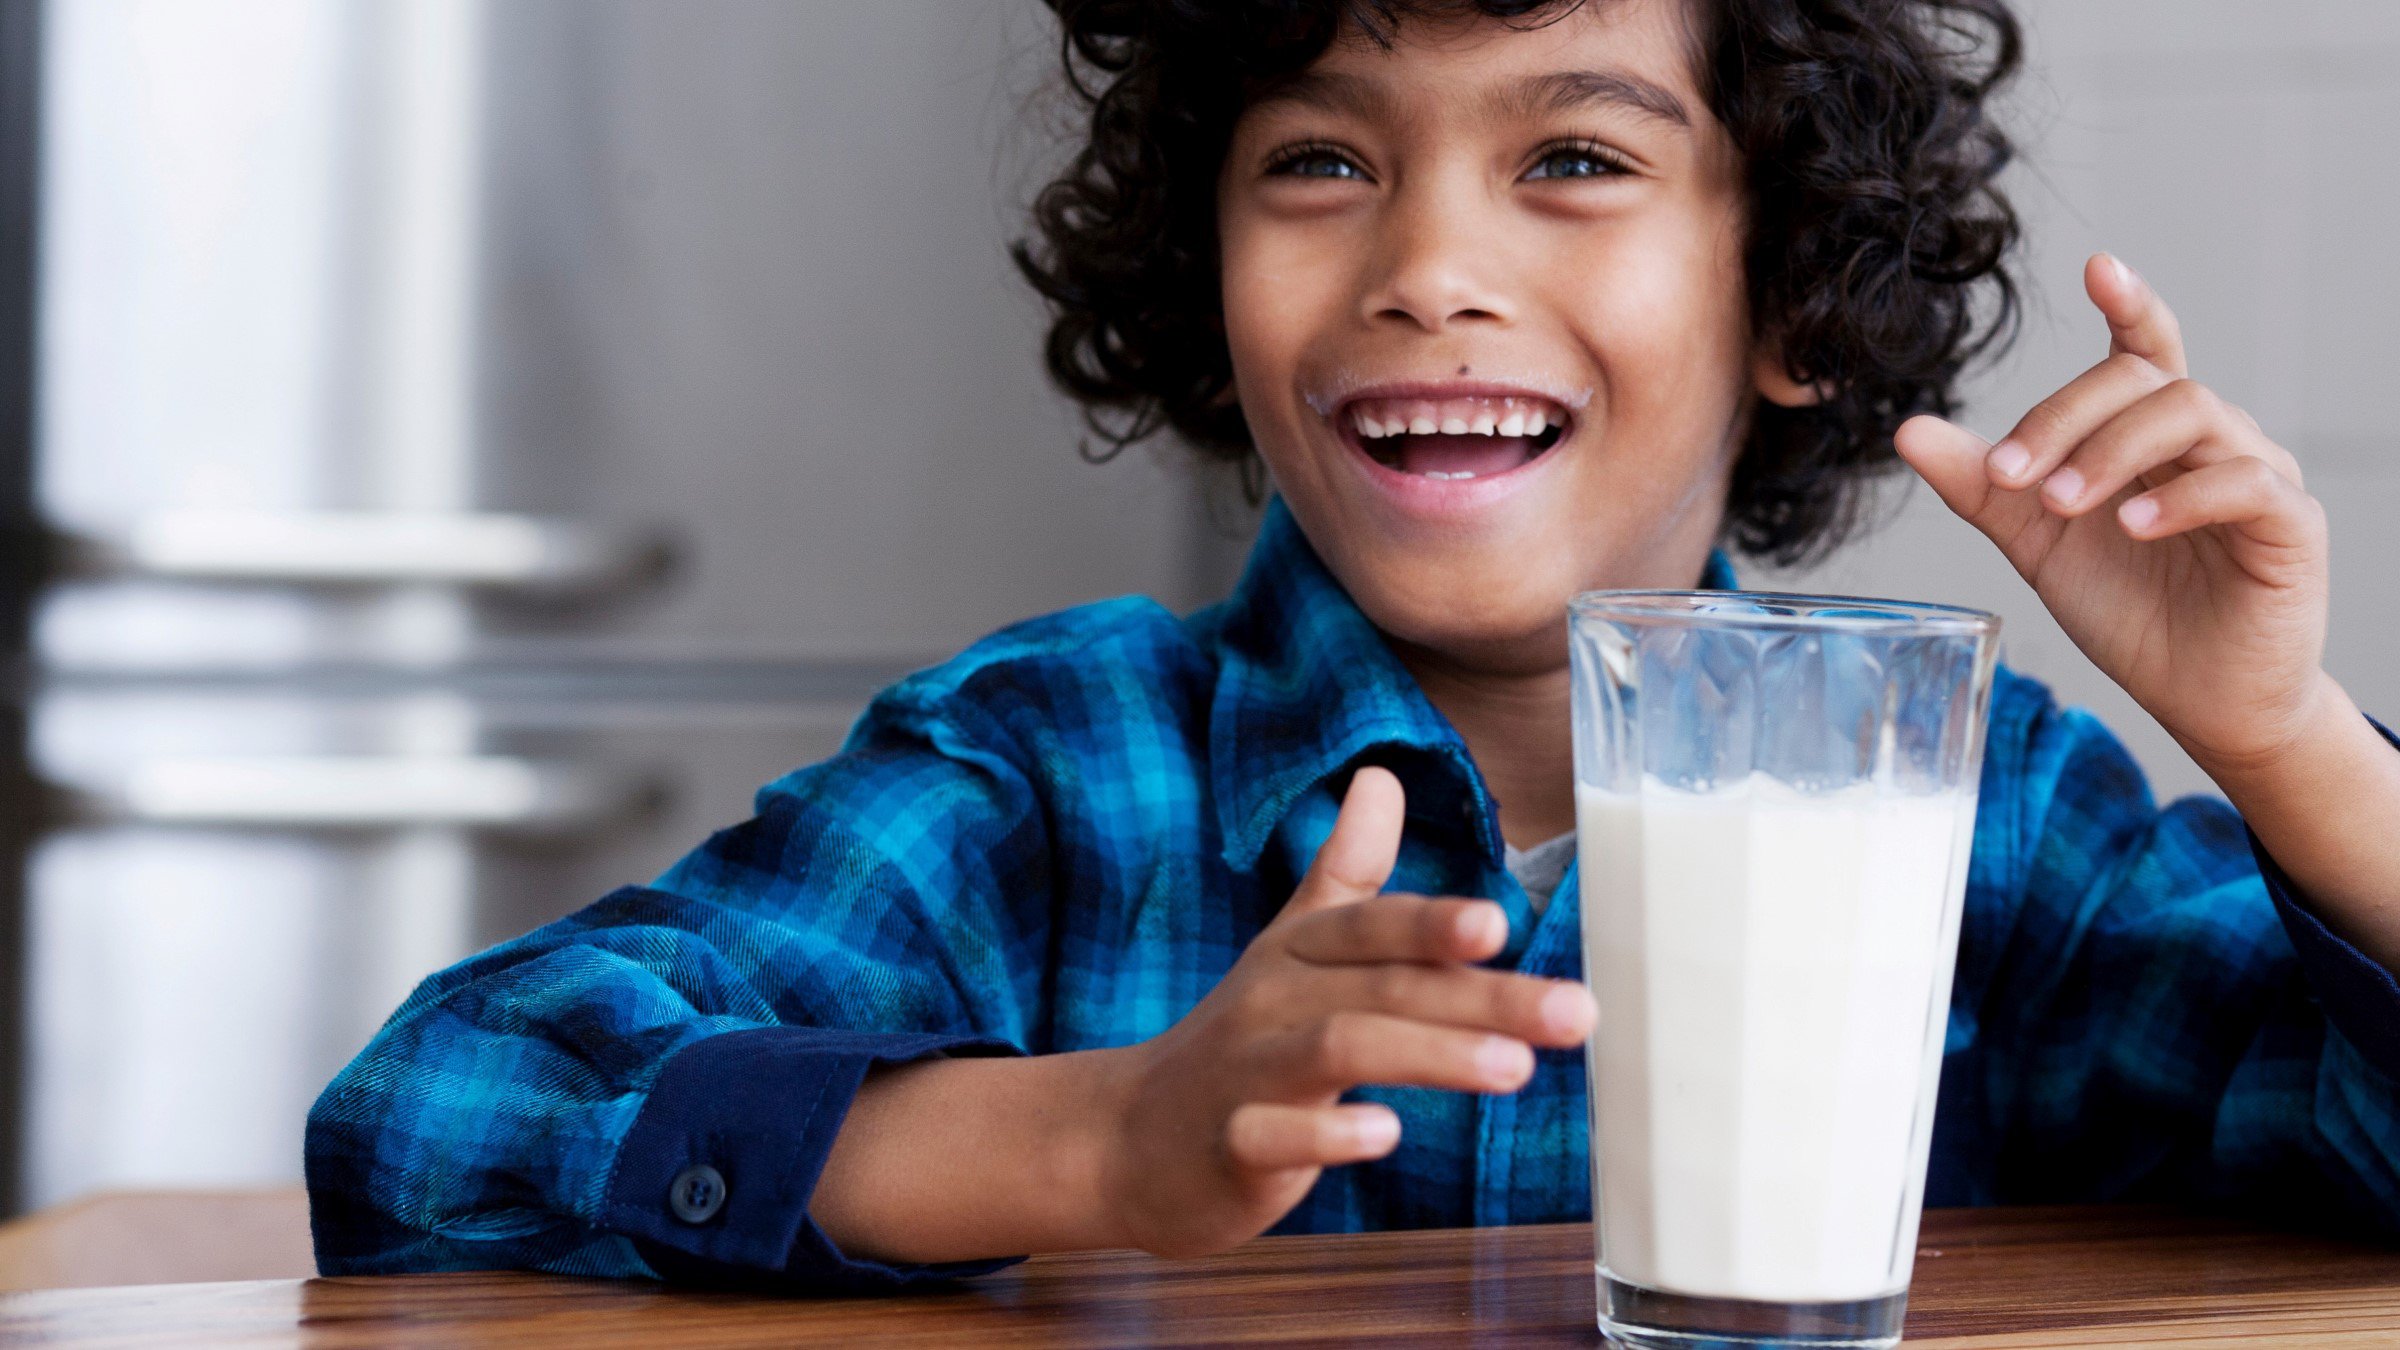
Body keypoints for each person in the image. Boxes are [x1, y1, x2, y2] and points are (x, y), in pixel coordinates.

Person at [306, 0, 2400, 1289]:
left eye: (1572, 158)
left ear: (1793, 302)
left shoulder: (1991, 824)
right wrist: (1099, 1141)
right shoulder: (1057, 778)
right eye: (1321, 161)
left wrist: (2287, 740)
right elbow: (436, 1112)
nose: (1425, 267)